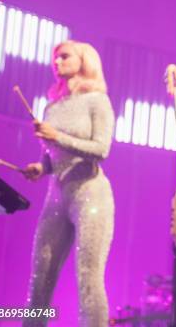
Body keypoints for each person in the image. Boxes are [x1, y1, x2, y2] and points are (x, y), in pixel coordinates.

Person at [21, 40, 115, 326]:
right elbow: (51, 157)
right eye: (54, 57)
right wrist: (40, 167)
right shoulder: (51, 106)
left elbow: (102, 149)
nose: (57, 61)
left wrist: (56, 138)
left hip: (91, 193)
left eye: (64, 56)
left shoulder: (98, 100)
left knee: (88, 275)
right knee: (40, 275)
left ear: (84, 61)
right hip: (57, 195)